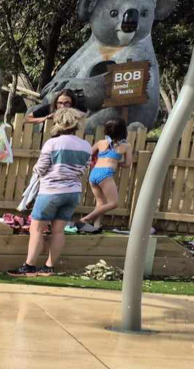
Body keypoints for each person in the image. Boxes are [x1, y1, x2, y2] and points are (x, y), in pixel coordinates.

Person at [8, 108, 92, 277]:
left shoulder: (52, 143)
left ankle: (29, 266)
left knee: (36, 229)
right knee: (58, 231)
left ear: (59, 122)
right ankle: (49, 267)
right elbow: (85, 168)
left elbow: (41, 168)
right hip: (73, 191)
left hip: (51, 191)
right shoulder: (85, 145)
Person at [69, 118, 132, 234]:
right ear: (124, 131)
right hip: (106, 173)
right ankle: (85, 219)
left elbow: (88, 155)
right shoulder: (126, 146)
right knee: (113, 203)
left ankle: (96, 225)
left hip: (94, 173)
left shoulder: (100, 143)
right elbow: (128, 164)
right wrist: (116, 163)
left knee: (100, 202)